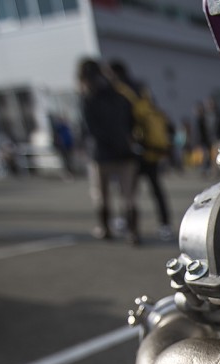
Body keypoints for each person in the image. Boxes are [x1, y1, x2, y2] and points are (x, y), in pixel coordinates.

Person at [107, 60, 174, 242]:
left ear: (114, 73)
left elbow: (124, 121)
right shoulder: (142, 88)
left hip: (135, 148)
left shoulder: (121, 91)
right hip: (152, 148)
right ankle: (165, 224)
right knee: (156, 188)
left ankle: (126, 221)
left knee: (129, 190)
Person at [77, 58, 138, 244]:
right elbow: (131, 120)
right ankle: (132, 231)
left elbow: (89, 128)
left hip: (100, 153)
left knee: (101, 195)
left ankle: (105, 228)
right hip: (124, 152)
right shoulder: (119, 94)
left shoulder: (88, 98)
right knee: (128, 195)